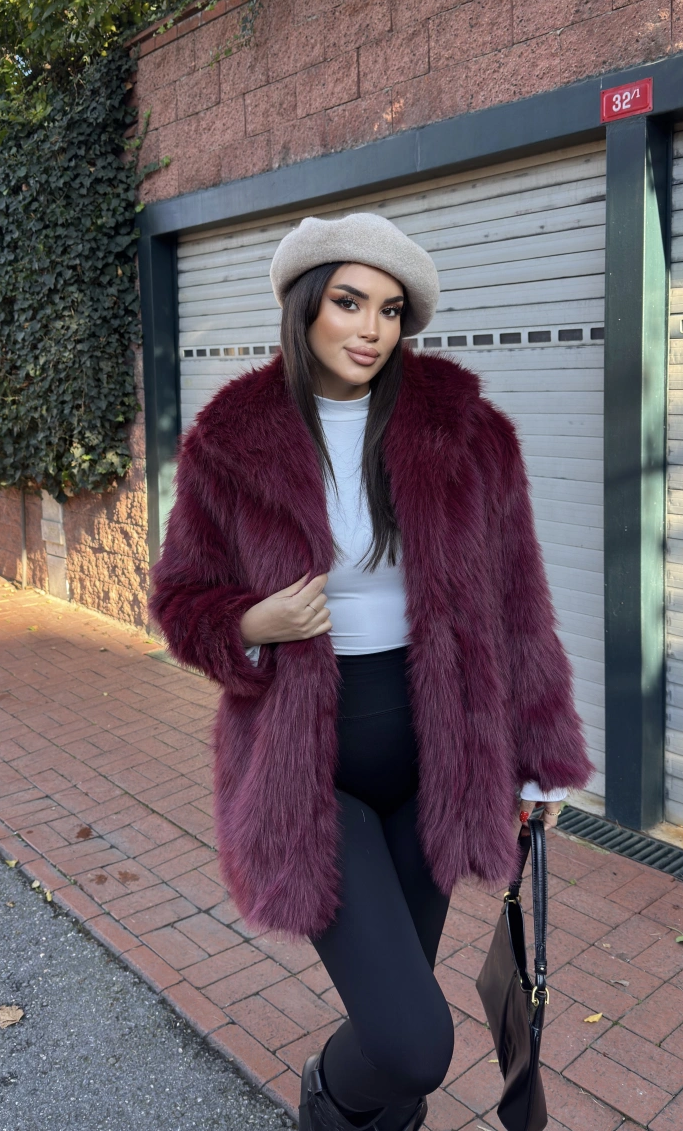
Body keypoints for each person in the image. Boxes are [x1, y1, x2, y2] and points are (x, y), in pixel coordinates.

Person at [149, 212, 593, 1131]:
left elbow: (518, 604)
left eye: (391, 311)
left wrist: (542, 757)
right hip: (308, 773)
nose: (371, 329)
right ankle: (324, 1098)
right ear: (305, 305)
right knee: (413, 1045)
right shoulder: (231, 441)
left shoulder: (467, 433)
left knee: (400, 1038)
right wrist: (254, 622)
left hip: (439, 762)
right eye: (349, 302)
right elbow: (181, 600)